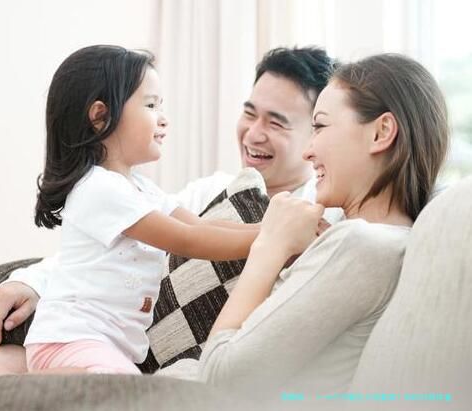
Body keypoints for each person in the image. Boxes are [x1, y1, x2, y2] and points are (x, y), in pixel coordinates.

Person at [0, 46, 340, 370]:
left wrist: (279, 232)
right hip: (83, 338)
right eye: (249, 114)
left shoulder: (329, 218)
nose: (253, 133)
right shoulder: (161, 190)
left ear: (315, 132)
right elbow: (185, 238)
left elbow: (190, 232)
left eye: (276, 122)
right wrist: (30, 282)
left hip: (135, 349)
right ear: (101, 117)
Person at [165, 53, 447, 403]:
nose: (307, 152)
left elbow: (220, 377)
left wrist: (270, 245)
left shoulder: (360, 245)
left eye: (320, 127)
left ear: (381, 132)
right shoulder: (383, 241)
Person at [0, 45, 261, 376]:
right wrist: (271, 239)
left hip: (99, 345)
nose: (163, 118)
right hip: (71, 340)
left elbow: (202, 226)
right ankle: (18, 386)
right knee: (128, 391)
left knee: (126, 387)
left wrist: (270, 228)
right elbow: (189, 240)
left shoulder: (140, 188)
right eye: (151, 105)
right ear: (101, 116)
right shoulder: (99, 189)